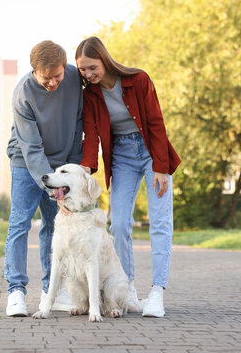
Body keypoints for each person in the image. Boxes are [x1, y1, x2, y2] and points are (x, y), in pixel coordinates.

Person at [75, 36, 180, 317]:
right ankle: (129, 290)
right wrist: (86, 168)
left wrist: (161, 165)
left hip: (150, 153)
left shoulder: (138, 80)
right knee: (119, 223)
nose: (88, 74)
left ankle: (157, 292)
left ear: (104, 60)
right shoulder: (90, 95)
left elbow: (156, 122)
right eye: (83, 70)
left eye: (92, 67)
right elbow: (91, 135)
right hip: (121, 156)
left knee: (160, 221)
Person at [4, 40, 83, 317]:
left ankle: (52, 291)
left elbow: (77, 124)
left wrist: (70, 174)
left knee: (54, 226)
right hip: (26, 163)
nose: (52, 83)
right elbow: (32, 149)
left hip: (60, 163)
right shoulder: (23, 94)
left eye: (57, 76)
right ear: (34, 71)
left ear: (65, 67)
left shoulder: (74, 78)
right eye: (45, 77)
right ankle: (16, 292)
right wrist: (54, 189)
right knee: (20, 222)